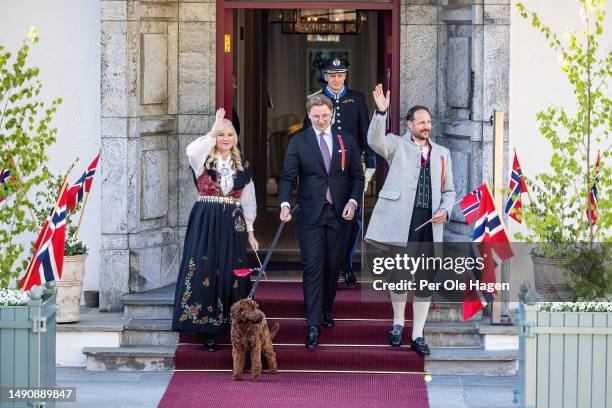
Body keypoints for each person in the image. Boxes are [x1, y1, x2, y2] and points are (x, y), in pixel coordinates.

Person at [365, 84, 456, 356]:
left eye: (429, 122)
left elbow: (450, 191)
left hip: (431, 222)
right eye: (421, 122)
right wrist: (381, 112)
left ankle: (417, 334)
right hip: (402, 220)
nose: (426, 126)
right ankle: (397, 323)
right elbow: (374, 140)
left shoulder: (442, 153)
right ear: (410, 124)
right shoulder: (396, 143)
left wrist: (447, 209)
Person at [279, 93, 365, 349]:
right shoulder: (299, 141)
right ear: (308, 115)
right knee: (313, 267)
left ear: (332, 114)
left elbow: (357, 178)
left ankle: (326, 307)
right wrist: (284, 204)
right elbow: (287, 177)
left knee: (332, 265)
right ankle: (313, 325)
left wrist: (353, 201)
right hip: (310, 214)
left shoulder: (346, 140)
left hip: (340, 214)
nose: (320, 120)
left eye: (325, 116)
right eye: (315, 116)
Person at [172, 108, 259, 352]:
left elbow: (248, 199)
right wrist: (214, 127)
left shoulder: (243, 165)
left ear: (235, 138)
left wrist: (251, 231)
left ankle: (235, 327)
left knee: (231, 271)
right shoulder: (203, 160)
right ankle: (207, 329)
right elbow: (191, 150)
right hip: (206, 221)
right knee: (205, 269)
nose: (225, 138)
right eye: (221, 134)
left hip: (233, 221)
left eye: (229, 134)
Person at [303, 57, 377, 288]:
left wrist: (371, 163)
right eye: (332, 75)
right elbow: (306, 138)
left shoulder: (357, 99)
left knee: (349, 221)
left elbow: (364, 133)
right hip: (322, 171)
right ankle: (326, 266)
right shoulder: (314, 100)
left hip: (349, 170)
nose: (336, 79)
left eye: (340, 74)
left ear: (345, 76)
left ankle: (344, 263)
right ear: (325, 76)